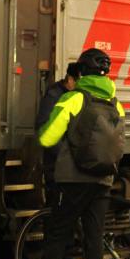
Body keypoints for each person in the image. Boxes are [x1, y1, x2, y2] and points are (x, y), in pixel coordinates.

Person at [8, 48, 125, 259]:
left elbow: (47, 138)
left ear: (82, 72)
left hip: (72, 181)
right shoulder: (116, 103)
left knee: (57, 238)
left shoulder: (73, 99)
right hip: (103, 180)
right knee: (94, 241)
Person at [35, 62, 81, 207]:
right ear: (70, 79)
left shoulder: (72, 95)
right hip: (56, 165)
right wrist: (66, 154)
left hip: (67, 165)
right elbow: (43, 126)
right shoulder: (54, 96)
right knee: (56, 208)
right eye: (78, 82)